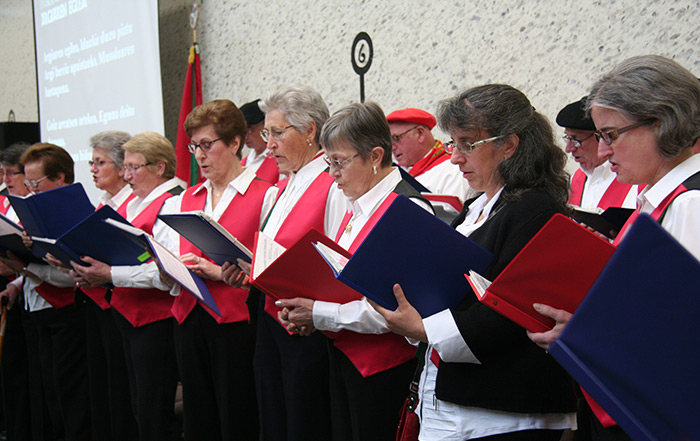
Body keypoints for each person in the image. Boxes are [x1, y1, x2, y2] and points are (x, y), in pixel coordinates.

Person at [372, 85, 578, 440]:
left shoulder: (534, 210)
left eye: (468, 144)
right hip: (456, 399)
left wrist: (422, 328)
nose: (454, 158)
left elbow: (508, 313)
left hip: (500, 412)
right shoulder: (479, 205)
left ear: (509, 145)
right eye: (453, 144)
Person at [529, 54, 700, 441]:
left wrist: (586, 332)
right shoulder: (662, 198)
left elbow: (683, 337)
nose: (603, 152)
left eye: (610, 135)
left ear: (661, 122)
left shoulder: (692, 204)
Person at [275, 101, 432, 441]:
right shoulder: (357, 202)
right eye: (328, 162)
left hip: (382, 369)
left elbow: (393, 310)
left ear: (376, 156)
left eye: (339, 162)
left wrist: (319, 313)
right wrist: (308, 313)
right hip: (344, 355)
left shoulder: (408, 209)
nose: (331, 174)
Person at [222, 84, 347, 441]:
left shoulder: (332, 183)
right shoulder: (283, 185)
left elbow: (337, 259)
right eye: (266, 133)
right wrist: (247, 270)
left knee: (304, 423)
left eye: (277, 133)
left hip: (308, 327)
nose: (269, 144)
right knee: (274, 421)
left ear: (310, 131)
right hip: (271, 319)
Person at [163, 99, 277, 441]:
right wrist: (171, 268)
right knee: (197, 417)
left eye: (207, 145)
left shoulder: (265, 196)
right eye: (193, 146)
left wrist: (217, 272)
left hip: (237, 324)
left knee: (237, 415)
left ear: (234, 143)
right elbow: (165, 262)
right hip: (187, 319)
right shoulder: (182, 200)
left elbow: (270, 270)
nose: (199, 155)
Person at [71, 131, 186, 441]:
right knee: (137, 406)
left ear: (159, 167)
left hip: (155, 320)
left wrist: (111, 275)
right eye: (126, 167)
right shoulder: (134, 203)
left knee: (155, 411)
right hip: (126, 314)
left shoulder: (172, 201)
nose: (127, 175)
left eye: (134, 167)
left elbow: (165, 272)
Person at [0, 143, 91, 441]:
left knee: (69, 395)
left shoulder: (71, 213)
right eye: (27, 183)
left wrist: (27, 268)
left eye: (35, 183)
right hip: (35, 308)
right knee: (47, 393)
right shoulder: (36, 209)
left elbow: (74, 275)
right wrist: (18, 278)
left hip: (66, 312)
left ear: (60, 178)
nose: (30, 189)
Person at [75, 131, 139, 441]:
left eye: (100, 162)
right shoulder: (102, 203)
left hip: (127, 303)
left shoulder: (132, 204)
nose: (93, 169)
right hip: (99, 300)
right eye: (92, 162)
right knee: (104, 385)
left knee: (124, 390)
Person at [0, 142, 36, 441]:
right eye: (4, 173)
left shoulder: (35, 205)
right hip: (19, 290)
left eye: (12, 173)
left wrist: (16, 275)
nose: (7, 180)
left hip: (44, 294)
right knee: (13, 372)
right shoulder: (5, 202)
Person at [387, 107, 474, 211]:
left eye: (396, 138)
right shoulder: (394, 174)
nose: (392, 147)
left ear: (420, 134)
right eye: (389, 141)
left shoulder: (453, 170)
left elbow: (452, 218)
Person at [557, 97, 637, 209]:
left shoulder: (633, 180)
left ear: (601, 136)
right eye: (567, 138)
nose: (569, 149)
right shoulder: (576, 180)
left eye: (576, 140)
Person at [240, 99, 280, 184]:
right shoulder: (243, 163)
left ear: (264, 126)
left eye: (250, 130)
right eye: (243, 132)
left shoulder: (279, 159)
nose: (245, 137)